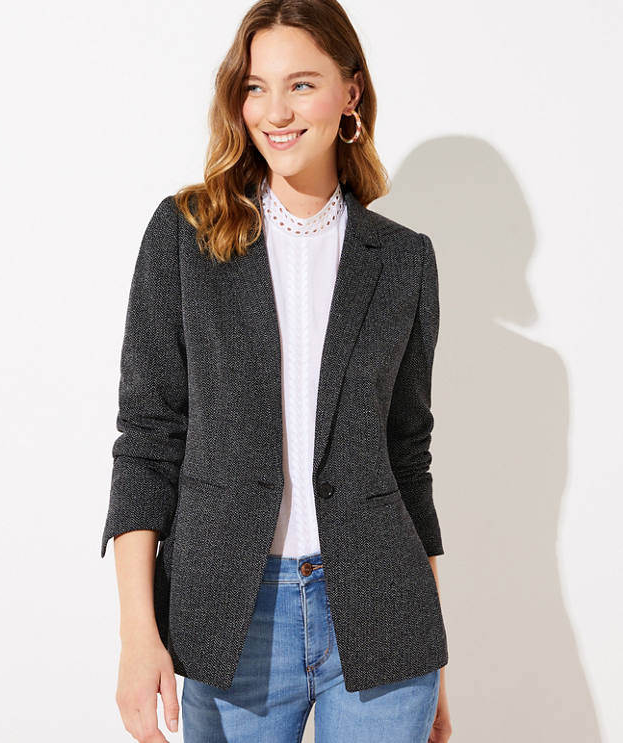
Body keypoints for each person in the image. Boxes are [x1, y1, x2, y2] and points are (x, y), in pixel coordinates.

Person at [100, 1, 452, 741]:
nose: (275, 112)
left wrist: (434, 662)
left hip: (385, 619)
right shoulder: (185, 235)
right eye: (256, 87)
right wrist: (138, 634)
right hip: (232, 616)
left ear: (350, 93)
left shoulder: (403, 259)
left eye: (301, 85)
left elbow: (406, 457)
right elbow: (148, 441)